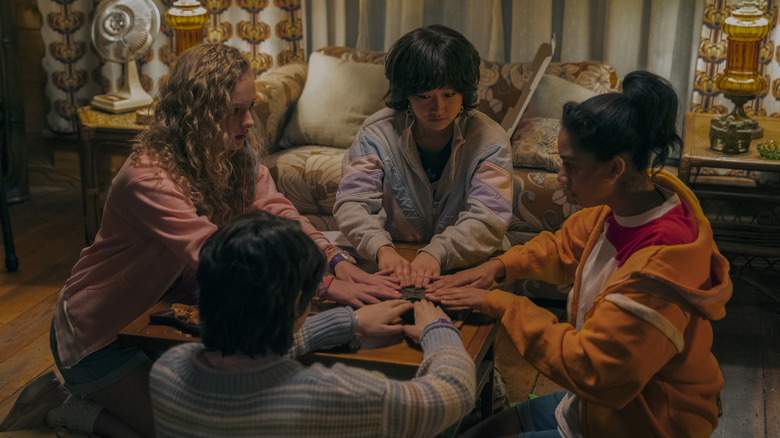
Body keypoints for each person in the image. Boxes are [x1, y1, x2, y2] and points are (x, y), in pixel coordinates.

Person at [0, 43, 398, 437]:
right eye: (234, 111)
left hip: (163, 319)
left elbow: (280, 212)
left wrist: (337, 262)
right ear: (197, 114)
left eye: (250, 107)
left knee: (231, 409)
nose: (247, 122)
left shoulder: (238, 153)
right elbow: (220, 257)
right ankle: (62, 408)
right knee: (188, 431)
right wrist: (325, 287)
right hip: (99, 335)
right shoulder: (147, 177)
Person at [427, 70, 732, 438]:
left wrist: (500, 304)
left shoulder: (658, 275)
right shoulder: (623, 208)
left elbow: (592, 369)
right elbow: (563, 246)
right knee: (477, 432)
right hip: (593, 408)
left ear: (615, 169)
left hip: (645, 423)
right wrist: (498, 267)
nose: (560, 176)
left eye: (570, 166)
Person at [149, 210, 476, 437]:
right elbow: (454, 394)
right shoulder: (331, 394)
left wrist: (350, 320)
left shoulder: (168, 371)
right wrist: (439, 332)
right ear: (297, 305)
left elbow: (250, 354)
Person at [333, 24, 513, 289]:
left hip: (471, 262)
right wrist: (381, 248)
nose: (438, 108)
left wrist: (436, 253)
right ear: (406, 94)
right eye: (424, 96)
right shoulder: (376, 134)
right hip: (395, 260)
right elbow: (353, 203)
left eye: (449, 94)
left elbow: (488, 218)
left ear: (464, 91)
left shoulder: (490, 140)